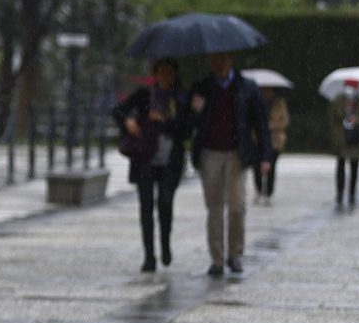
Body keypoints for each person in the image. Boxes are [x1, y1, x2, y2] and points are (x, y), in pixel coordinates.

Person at [189, 52, 271, 277]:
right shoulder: (202, 86)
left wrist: (265, 155)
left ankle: (235, 253)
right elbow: (189, 124)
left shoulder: (247, 87)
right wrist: (195, 110)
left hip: (237, 153)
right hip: (210, 153)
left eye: (223, 58)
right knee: (214, 208)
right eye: (215, 58)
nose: (219, 62)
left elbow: (261, 123)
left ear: (231, 59)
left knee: (237, 205)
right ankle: (216, 258)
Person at [112, 59, 191, 273]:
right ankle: (149, 255)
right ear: (154, 74)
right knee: (146, 207)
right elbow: (118, 111)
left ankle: (165, 243)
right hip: (144, 159)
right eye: (161, 72)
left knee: (165, 205)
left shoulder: (181, 97)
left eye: (169, 72)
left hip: (170, 160)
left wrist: (164, 120)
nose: (165, 77)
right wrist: (128, 121)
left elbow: (186, 130)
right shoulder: (144, 95)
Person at [330, 78, 359, 208]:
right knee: (340, 167)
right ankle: (339, 193)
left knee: (354, 167)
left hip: (356, 139)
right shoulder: (338, 100)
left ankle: (352, 193)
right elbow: (332, 116)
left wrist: (356, 119)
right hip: (342, 139)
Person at [254, 88, 289, 204]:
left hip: (275, 139)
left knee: (271, 167)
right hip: (258, 139)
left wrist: (271, 125)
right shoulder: (256, 102)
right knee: (257, 166)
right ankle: (259, 189)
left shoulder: (280, 104)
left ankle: (268, 192)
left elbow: (285, 121)